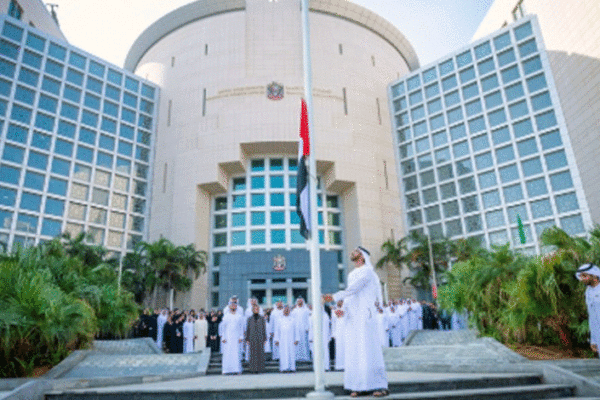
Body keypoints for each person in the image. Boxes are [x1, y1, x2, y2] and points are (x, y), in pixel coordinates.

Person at [323, 246, 388, 398]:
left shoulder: (367, 272)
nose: (353, 252)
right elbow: (350, 295)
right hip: (353, 317)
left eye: (357, 251)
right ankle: (357, 386)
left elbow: (354, 289)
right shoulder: (352, 274)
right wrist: (343, 310)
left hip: (365, 316)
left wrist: (334, 297)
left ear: (363, 256)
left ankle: (379, 385)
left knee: (369, 350)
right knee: (354, 351)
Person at [576, 264, 600, 357]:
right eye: (581, 276)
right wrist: (593, 340)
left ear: (594, 275)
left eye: (584, 276)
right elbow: (592, 318)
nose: (582, 279)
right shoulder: (588, 291)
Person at [221, 302, 244, 375]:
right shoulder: (226, 316)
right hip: (228, 338)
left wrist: (241, 337)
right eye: (232, 305)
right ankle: (226, 370)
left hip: (237, 338)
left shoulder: (239, 316)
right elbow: (223, 328)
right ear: (229, 306)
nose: (233, 306)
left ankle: (236, 369)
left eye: (234, 305)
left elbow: (241, 327)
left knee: (236, 353)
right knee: (227, 353)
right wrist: (223, 337)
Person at [274, 305, 299, 372]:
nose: (286, 311)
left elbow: (296, 330)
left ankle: (292, 368)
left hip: (291, 339)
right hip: (282, 340)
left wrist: (297, 339)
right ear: (283, 311)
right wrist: (276, 340)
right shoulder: (279, 320)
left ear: (290, 311)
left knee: (291, 353)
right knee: (283, 354)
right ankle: (284, 368)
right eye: (285, 310)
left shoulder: (293, 319)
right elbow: (277, 330)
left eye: (288, 310)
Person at [245, 304, 267, 373]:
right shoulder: (249, 319)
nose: (256, 310)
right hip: (252, 338)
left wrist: (265, 338)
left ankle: (260, 369)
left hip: (260, 338)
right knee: (253, 354)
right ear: (252, 310)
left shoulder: (262, 318)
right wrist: (247, 339)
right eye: (255, 309)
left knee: (260, 353)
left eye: (257, 309)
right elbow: (248, 329)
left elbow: (264, 329)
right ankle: (253, 369)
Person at [291, 297, 311, 361]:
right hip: (296, 329)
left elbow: (309, 320)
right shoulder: (294, 311)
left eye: (301, 301)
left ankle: (305, 357)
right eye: (298, 301)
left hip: (304, 330)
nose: (300, 302)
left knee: (304, 343)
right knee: (297, 343)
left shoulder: (306, 310)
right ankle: (297, 357)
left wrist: (308, 327)